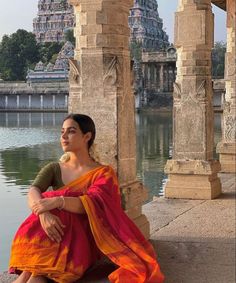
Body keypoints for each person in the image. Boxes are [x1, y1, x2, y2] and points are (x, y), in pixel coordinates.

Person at [9, 113, 164, 283]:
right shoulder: (54, 168)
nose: (63, 136)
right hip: (51, 232)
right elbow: (33, 191)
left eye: (71, 131)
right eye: (62, 131)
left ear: (87, 136)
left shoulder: (103, 173)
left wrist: (57, 200)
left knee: (36, 274)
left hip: (78, 241)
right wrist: (43, 214)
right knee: (29, 272)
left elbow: (94, 205)